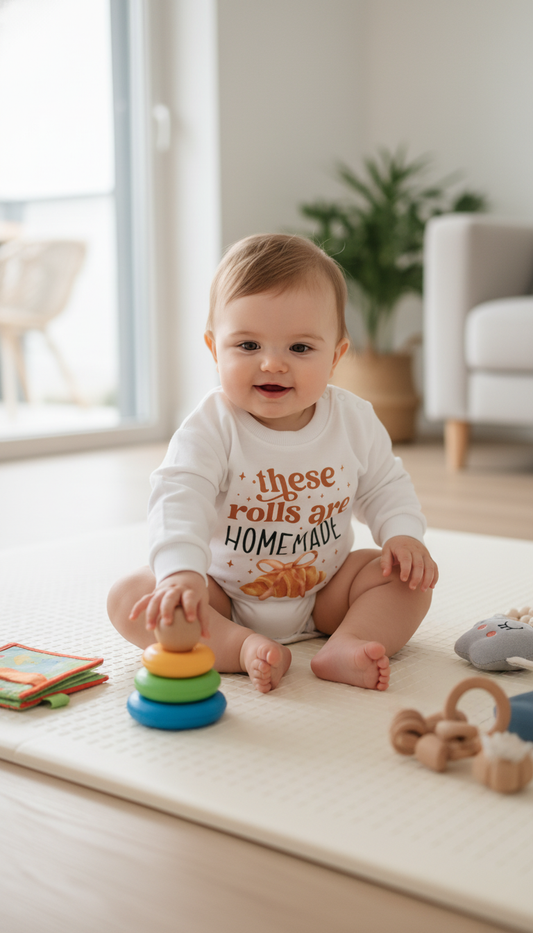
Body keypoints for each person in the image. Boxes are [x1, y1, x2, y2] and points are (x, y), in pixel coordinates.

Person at [108, 234, 438, 694]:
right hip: (222, 594)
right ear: (213, 348)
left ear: (336, 356)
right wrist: (181, 574)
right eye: (247, 345)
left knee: (408, 581)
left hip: (328, 592)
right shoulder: (211, 426)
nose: (272, 364)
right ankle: (240, 646)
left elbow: (385, 484)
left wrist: (403, 534)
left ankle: (350, 641)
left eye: (299, 349)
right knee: (131, 597)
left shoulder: (353, 419)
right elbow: (179, 497)